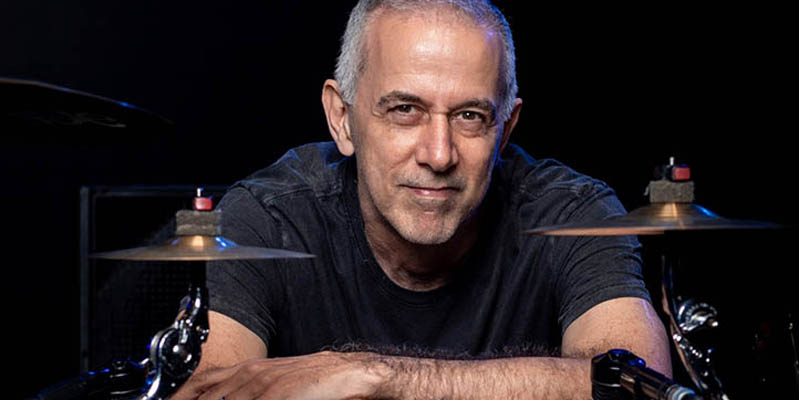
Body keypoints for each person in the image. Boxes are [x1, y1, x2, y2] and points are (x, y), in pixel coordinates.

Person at [173, 0, 670, 398]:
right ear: (342, 119)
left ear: (505, 129)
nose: (438, 154)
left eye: (470, 116)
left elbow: (641, 386)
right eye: (404, 110)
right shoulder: (268, 218)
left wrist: (380, 377)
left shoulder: (572, 213)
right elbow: (199, 392)